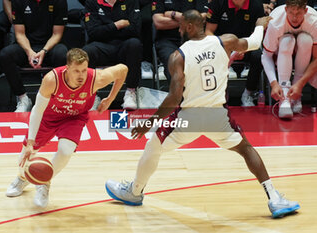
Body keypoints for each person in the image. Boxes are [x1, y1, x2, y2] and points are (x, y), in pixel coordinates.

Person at [105, 10, 300, 218]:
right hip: (218, 117)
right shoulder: (225, 42)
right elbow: (253, 42)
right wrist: (260, 24)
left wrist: (150, 122)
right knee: (246, 149)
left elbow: (173, 99)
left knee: (153, 146)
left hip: (189, 119)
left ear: (190, 27)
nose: (179, 29)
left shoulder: (178, 55)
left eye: (181, 25)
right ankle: (275, 198)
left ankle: (134, 192)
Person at [5, 48, 128, 207]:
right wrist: (30, 142)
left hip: (74, 118)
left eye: (84, 70)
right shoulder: (52, 80)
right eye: (76, 71)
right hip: (48, 116)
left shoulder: (96, 79)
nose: (81, 75)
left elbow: (123, 69)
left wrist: (110, 99)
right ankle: (22, 179)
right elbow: (37, 110)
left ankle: (44, 182)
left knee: (66, 150)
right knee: (25, 154)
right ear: (67, 68)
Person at [0, 0, 68, 112]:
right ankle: (23, 98)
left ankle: (54, 98)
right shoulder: (18, 2)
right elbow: (20, 33)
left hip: (50, 46)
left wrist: (44, 51)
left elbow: (57, 34)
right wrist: (29, 52)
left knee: (63, 55)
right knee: (5, 55)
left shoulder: (60, 1)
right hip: (27, 45)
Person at [261, 0, 317, 118]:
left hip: (305, 53)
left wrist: (300, 84)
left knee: (305, 40)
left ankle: (296, 93)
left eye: (299, 13)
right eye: (291, 13)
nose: (295, 17)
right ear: (286, 10)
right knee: (287, 40)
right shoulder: (275, 22)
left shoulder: (314, 21)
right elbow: (266, 56)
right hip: (281, 51)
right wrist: (274, 83)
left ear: (306, 11)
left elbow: (316, 58)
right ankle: (285, 95)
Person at [83, 0, 142, 110]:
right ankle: (91, 96)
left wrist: (106, 29)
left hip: (124, 46)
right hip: (101, 46)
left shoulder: (131, 2)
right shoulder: (92, 2)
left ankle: (130, 92)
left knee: (135, 44)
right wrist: (118, 25)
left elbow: (135, 29)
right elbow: (93, 33)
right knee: (87, 51)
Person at [206, 0, 265, 107]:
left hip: (247, 45)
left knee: (259, 56)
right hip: (222, 46)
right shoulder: (217, 3)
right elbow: (209, 32)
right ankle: (221, 92)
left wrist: (243, 49)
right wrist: (224, 47)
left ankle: (248, 93)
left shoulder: (256, 5)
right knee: (210, 52)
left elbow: (255, 36)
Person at [152, 0, 208, 82]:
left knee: (201, 58)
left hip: (193, 38)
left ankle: (193, 92)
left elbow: (203, 17)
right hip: (168, 40)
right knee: (172, 59)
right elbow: (158, 22)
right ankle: (178, 93)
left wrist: (173, 14)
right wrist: (190, 21)